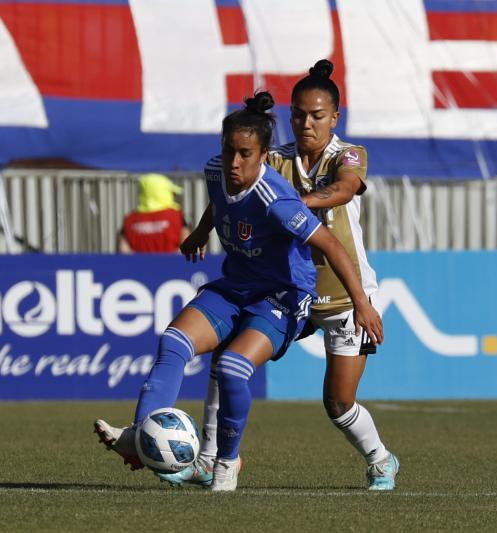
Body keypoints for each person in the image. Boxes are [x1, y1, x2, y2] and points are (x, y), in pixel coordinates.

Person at [95, 91, 383, 492]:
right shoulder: (217, 171)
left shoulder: (288, 191)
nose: (234, 161)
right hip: (237, 286)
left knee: (314, 396)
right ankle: (142, 435)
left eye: (244, 154)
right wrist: (200, 230)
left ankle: (229, 464)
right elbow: (221, 199)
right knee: (175, 342)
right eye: (229, 150)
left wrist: (363, 304)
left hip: (291, 295)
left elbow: (334, 235)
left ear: (263, 155)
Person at [166, 60, 400, 491]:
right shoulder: (273, 158)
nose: (306, 123)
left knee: (338, 402)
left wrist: (289, 207)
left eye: (316, 115)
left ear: (335, 117)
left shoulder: (349, 155)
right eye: (298, 114)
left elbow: (345, 188)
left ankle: (380, 459)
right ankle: (209, 459)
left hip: (346, 297)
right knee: (226, 358)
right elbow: (230, 196)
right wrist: (201, 230)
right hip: (290, 291)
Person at [117, 173, 191, 253]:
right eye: (171, 193)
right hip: (172, 264)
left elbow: (123, 251)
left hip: (138, 265)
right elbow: (188, 246)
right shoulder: (177, 216)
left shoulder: (129, 219)